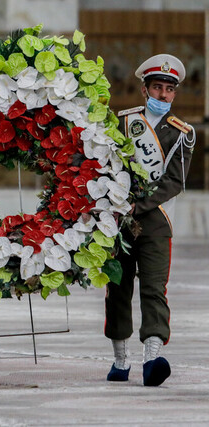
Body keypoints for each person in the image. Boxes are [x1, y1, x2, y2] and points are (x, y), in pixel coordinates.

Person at [105, 54, 195, 386]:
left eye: (168, 89)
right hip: (119, 222)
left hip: (156, 221)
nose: (162, 94)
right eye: (157, 87)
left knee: (154, 290)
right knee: (117, 288)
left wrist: (137, 204)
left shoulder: (182, 134)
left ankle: (152, 360)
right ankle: (120, 360)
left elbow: (175, 181)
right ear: (145, 90)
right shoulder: (124, 122)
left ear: (174, 94)